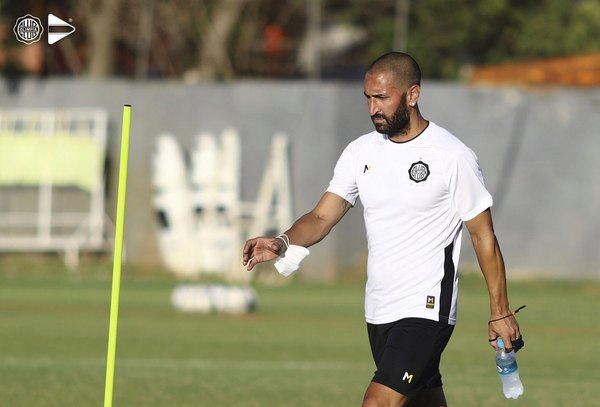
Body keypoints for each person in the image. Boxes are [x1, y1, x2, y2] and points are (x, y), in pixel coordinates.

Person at [242, 52, 523, 407]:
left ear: (412, 95)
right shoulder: (361, 152)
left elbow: (483, 236)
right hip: (378, 308)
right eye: (368, 98)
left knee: (377, 403)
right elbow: (322, 217)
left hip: (426, 309)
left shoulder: (451, 155)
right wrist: (283, 242)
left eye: (382, 98)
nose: (373, 108)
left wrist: (500, 311)